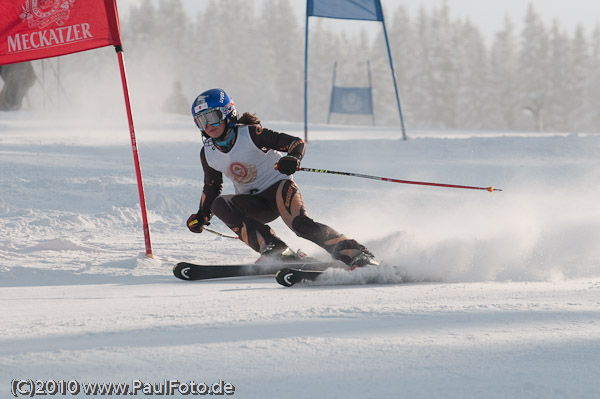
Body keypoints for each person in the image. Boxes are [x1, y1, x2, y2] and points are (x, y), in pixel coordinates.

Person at [186, 88, 378, 268]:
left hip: (278, 189)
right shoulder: (208, 153)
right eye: (201, 121)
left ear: (228, 113)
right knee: (219, 204)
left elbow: (296, 143)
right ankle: (276, 250)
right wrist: (202, 215)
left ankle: (356, 253)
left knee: (300, 224)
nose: (208, 125)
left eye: (212, 117)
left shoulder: (251, 134)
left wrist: (292, 158)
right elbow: (212, 186)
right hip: (254, 204)